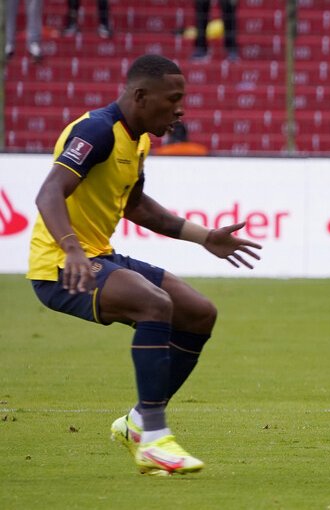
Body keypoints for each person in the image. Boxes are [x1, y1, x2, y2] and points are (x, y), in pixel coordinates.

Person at [26, 54, 262, 476]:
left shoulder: (139, 140)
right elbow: (48, 194)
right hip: (60, 266)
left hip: (97, 255)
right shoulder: (96, 130)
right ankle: (153, 438)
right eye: (173, 100)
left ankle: (137, 420)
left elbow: (136, 206)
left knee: (198, 313)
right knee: (155, 304)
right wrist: (72, 249)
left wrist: (204, 236)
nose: (180, 110)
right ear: (140, 96)